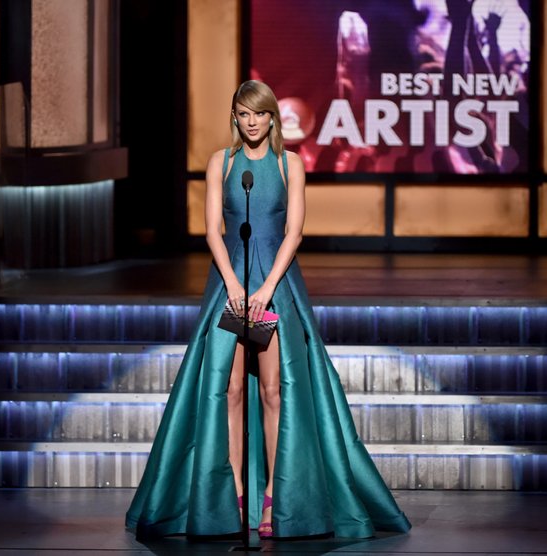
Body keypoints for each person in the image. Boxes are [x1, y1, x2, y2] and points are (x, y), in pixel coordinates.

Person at [125, 80, 411, 540]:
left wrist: (267, 289)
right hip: (230, 286)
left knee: (274, 392)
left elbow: (294, 232)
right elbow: (214, 231)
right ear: (234, 118)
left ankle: (277, 496)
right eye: (243, 114)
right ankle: (236, 492)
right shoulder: (222, 163)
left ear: (273, 116)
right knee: (231, 389)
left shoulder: (289, 163)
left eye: (258, 113)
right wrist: (235, 286)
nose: (251, 121)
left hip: (274, 288)